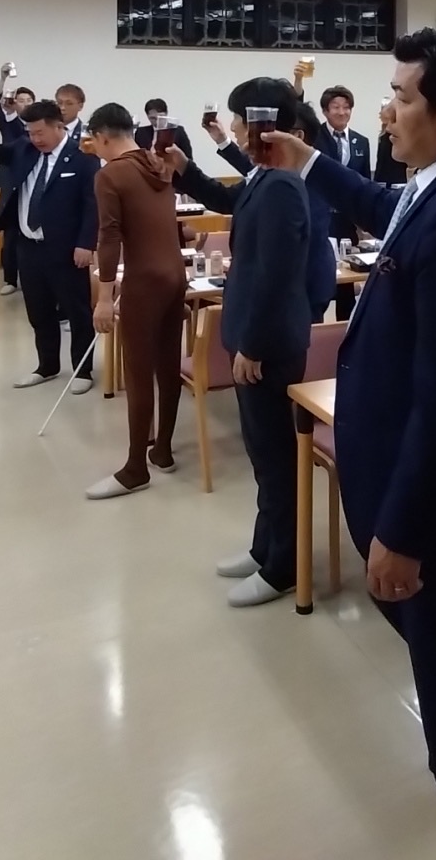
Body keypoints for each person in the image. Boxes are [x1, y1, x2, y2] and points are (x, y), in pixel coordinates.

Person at [279, 29, 436, 860]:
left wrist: (405, 532)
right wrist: (309, 161)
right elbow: (390, 212)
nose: (385, 111)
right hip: (434, 497)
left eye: (400, 96)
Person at [165, 79, 315, 606]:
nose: (232, 129)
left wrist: (251, 344)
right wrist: (186, 169)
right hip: (255, 335)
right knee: (262, 454)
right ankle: (264, 546)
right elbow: (230, 200)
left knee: (275, 457)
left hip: (267, 343)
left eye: (238, 121)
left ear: (263, 125)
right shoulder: (264, 177)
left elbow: (276, 275)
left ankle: (285, 566)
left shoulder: (282, 187)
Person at [85, 103, 187, 499]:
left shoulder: (111, 174)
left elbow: (109, 237)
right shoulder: (160, 163)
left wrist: (104, 297)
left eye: (95, 142)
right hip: (175, 274)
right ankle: (162, 450)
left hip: (145, 280)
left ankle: (134, 468)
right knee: (168, 364)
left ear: (103, 137)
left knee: (138, 373)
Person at [0, 98, 99, 391]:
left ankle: (83, 371)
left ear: (59, 126)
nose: (35, 139)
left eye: (40, 132)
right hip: (28, 246)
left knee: (77, 311)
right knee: (39, 312)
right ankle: (47, 366)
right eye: (30, 132)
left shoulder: (83, 157)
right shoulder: (24, 148)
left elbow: (92, 205)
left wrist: (86, 244)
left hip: (67, 249)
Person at [208, 106, 338, 322]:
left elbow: (295, 247)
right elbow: (245, 179)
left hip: (304, 288)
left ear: (297, 137)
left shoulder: (306, 180)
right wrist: (222, 142)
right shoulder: (275, 174)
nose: (264, 139)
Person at [317, 85, 373, 316]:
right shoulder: (314, 137)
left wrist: (364, 221)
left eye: (346, 107)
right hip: (322, 217)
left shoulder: (361, 141)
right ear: (325, 111)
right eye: (336, 107)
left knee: (347, 281)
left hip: (348, 219)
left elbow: (365, 181)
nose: (342, 112)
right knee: (321, 275)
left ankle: (345, 328)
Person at [0, 71, 36, 295]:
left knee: (32, 234)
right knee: (11, 234)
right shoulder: (9, 123)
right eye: (21, 100)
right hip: (11, 185)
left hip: (34, 184)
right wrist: (3, 79)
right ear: (14, 103)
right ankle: (10, 280)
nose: (25, 103)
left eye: (29, 100)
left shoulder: (39, 125)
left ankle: (31, 279)